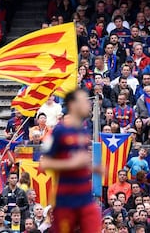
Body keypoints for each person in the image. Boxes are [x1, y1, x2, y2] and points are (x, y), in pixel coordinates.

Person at [40, 89, 101, 232]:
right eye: (85, 100)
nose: (89, 104)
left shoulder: (83, 131)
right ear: (73, 105)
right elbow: (45, 163)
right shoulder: (59, 131)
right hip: (65, 199)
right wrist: (72, 164)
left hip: (86, 197)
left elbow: (79, 163)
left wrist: (93, 168)